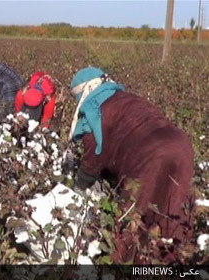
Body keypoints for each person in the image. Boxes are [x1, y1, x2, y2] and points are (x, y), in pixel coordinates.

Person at [70, 67, 194, 248]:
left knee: (133, 224)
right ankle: (177, 266)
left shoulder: (93, 109)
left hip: (151, 154)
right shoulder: (127, 98)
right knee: (174, 213)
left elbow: (93, 155)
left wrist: (79, 187)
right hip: (181, 146)